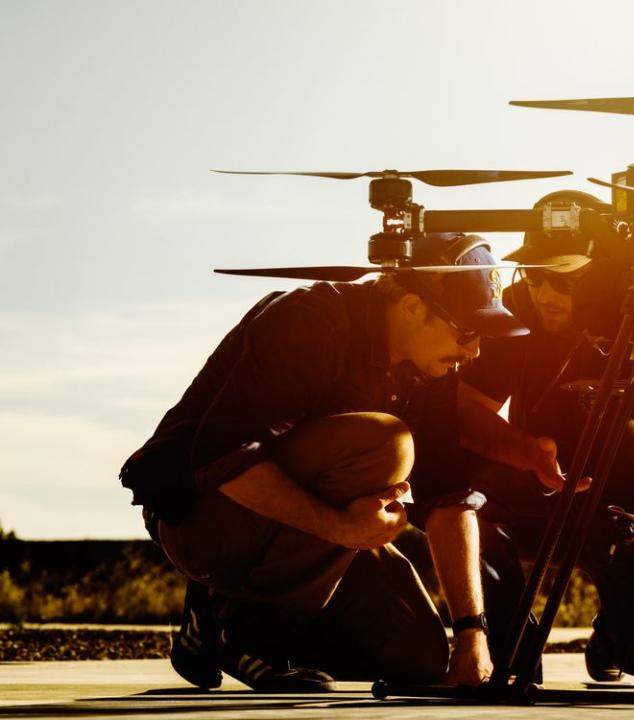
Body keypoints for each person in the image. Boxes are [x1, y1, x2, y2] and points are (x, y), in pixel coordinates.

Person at [120, 233, 523, 692]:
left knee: (419, 660)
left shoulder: (430, 367)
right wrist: (344, 530)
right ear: (412, 306)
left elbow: (451, 500)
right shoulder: (311, 323)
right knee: (387, 445)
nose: (473, 352)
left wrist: (473, 635)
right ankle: (245, 625)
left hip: (298, 539)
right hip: (198, 517)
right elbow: (218, 456)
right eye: (466, 331)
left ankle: (216, 620)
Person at [456, 191, 634, 688]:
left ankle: (615, 632)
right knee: (462, 499)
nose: (546, 292)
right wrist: (526, 452)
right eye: (536, 273)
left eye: (566, 280)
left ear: (604, 278)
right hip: (544, 494)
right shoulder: (519, 302)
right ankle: (511, 649)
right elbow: (466, 407)